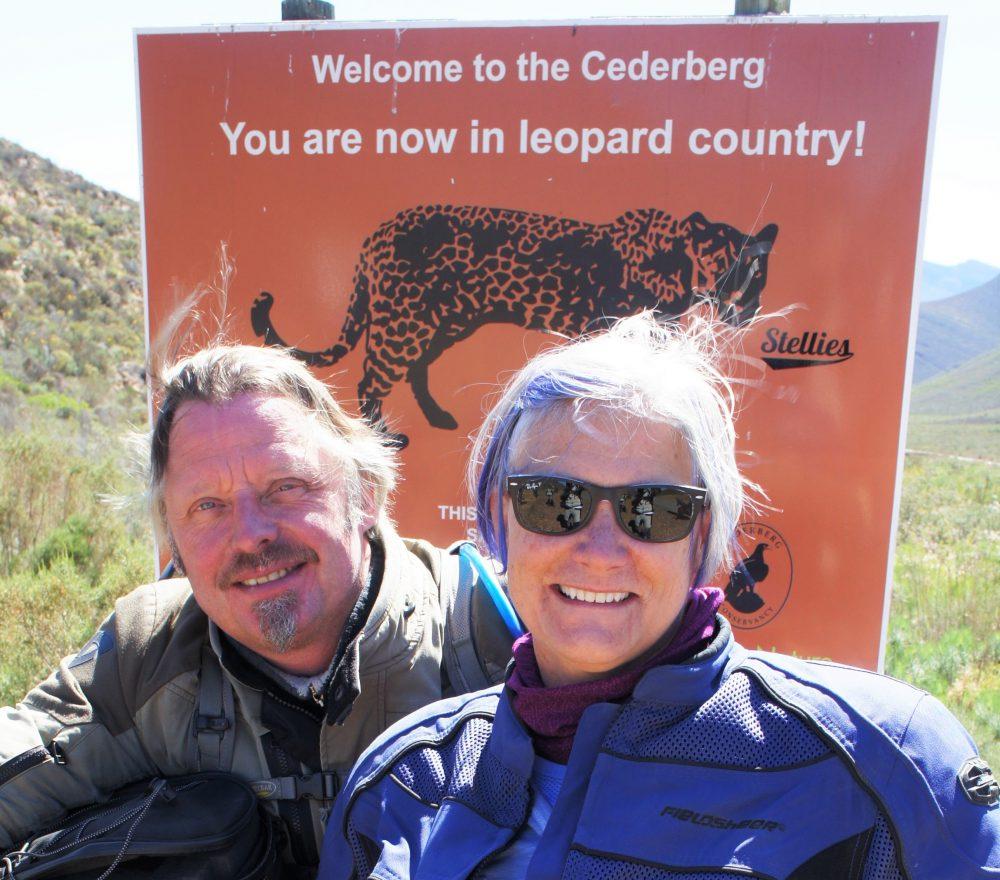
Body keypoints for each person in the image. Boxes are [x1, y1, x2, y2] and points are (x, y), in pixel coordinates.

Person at [321, 311, 999, 879]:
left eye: (655, 508)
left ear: (703, 532)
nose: (601, 547)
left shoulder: (887, 766)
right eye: (556, 500)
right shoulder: (405, 781)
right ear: (499, 518)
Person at [0, 343, 511, 872]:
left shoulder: (493, 635)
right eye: (208, 507)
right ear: (174, 542)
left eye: (286, 487)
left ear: (366, 496)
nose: (250, 535)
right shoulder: (147, 656)